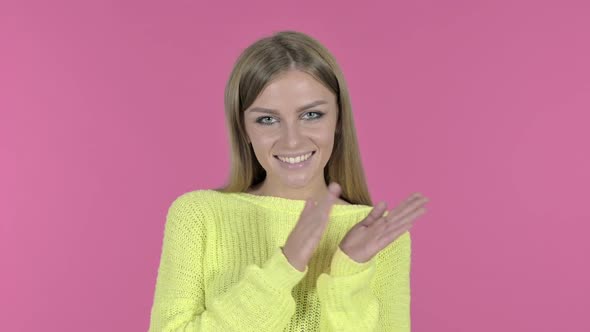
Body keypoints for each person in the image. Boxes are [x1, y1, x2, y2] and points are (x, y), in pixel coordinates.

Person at [148, 30, 429, 331]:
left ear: (338, 120)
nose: (292, 141)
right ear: (243, 129)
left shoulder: (379, 234)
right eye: (267, 119)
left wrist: (349, 274)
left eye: (311, 114)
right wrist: (285, 265)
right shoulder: (198, 214)